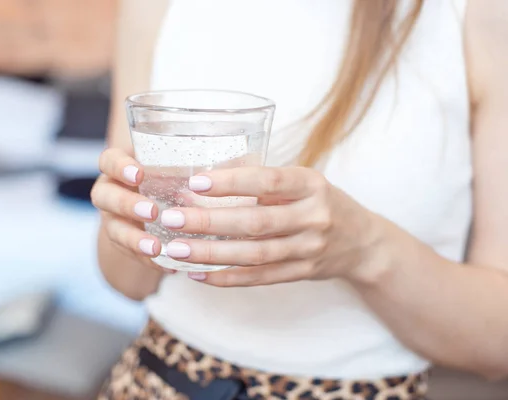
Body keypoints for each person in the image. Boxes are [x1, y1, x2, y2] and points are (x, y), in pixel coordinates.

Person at [92, 0, 508, 398]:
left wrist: (366, 248)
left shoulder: (477, 13)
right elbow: (127, 281)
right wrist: (134, 221)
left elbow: (497, 347)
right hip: (157, 382)